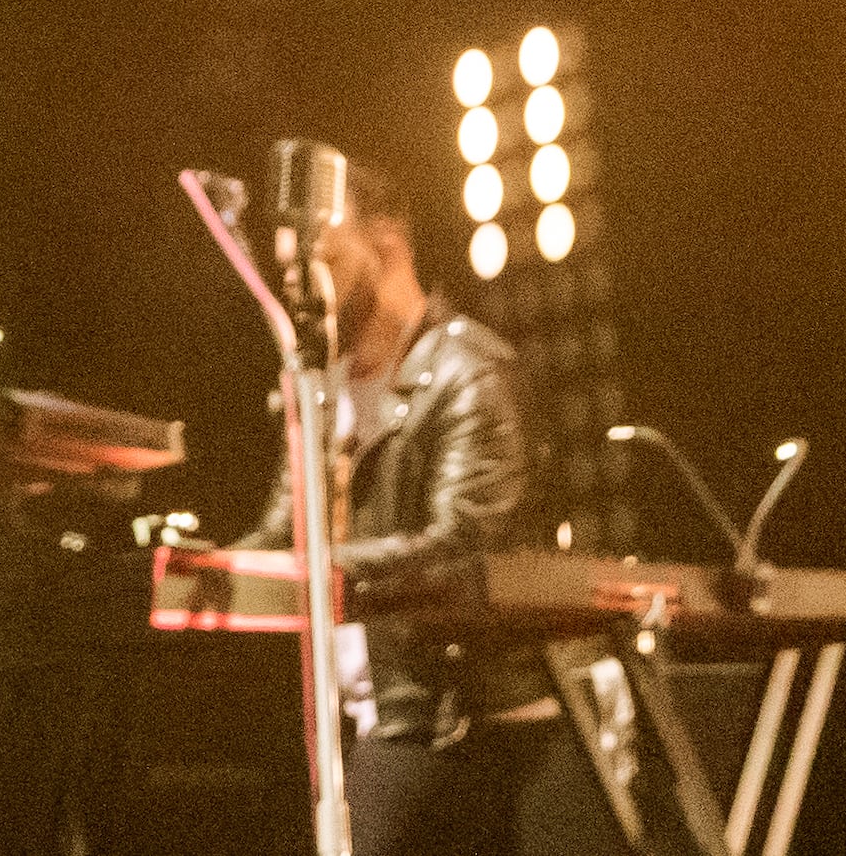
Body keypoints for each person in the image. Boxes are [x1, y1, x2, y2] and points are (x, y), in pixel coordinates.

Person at [238, 166, 615, 856]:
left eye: (318, 262)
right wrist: (201, 563)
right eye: (289, 273)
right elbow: (279, 533)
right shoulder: (318, 391)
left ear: (386, 244)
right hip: (381, 716)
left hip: (475, 722)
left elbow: (460, 545)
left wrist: (304, 569)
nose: (300, 289)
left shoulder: (469, 371)